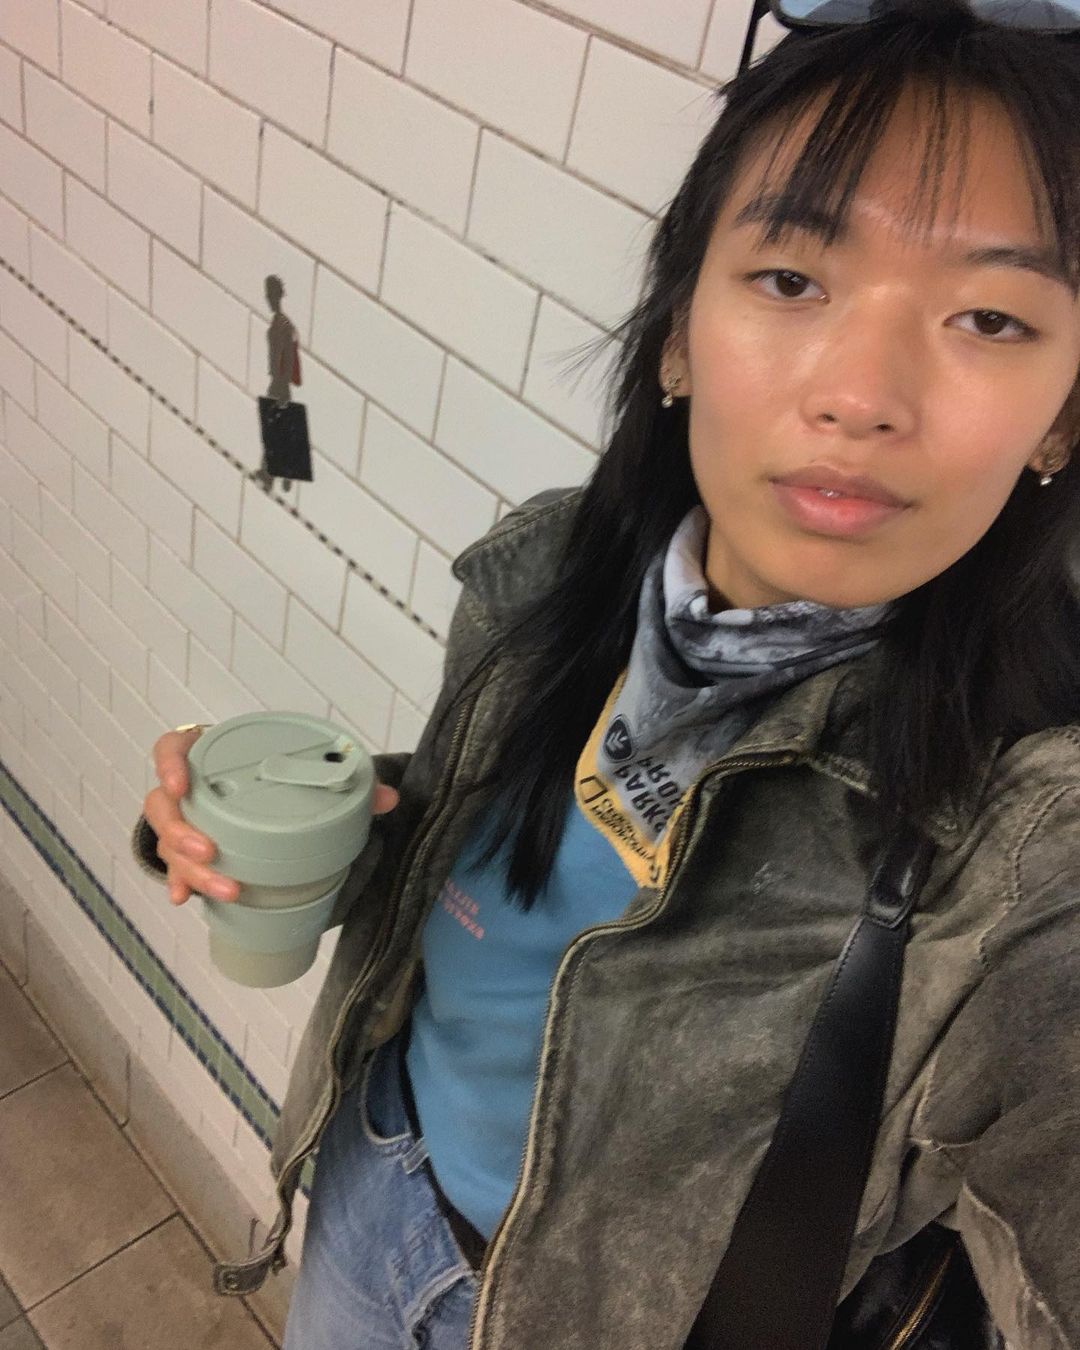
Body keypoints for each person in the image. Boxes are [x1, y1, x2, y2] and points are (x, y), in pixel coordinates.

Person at [131, 2, 1080, 1345]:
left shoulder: (1032, 834)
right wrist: (283, 839)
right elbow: (484, 871)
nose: (863, 392)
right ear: (679, 332)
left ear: (1060, 421)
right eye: (792, 280)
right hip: (373, 1174)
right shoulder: (549, 576)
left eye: (989, 316)